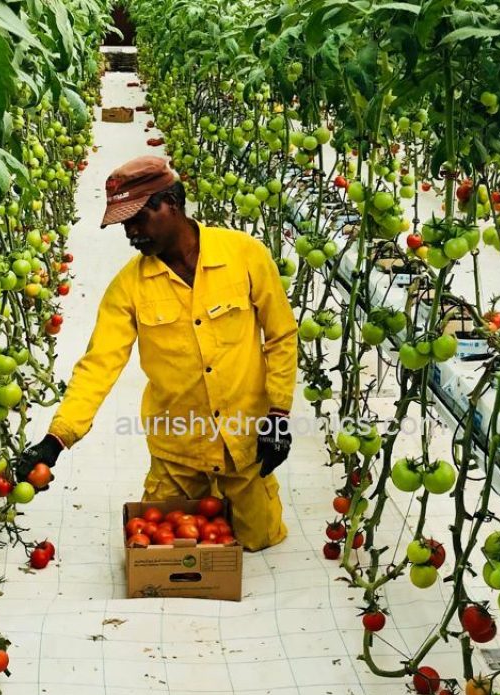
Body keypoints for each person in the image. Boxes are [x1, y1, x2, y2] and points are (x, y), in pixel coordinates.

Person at [16, 155, 298, 551]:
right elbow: (99, 366)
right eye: (123, 223)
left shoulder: (244, 255)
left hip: (246, 444)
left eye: (137, 218)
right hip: (178, 452)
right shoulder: (128, 287)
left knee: (261, 542)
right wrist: (57, 439)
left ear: (172, 204)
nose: (130, 232)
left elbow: (281, 335)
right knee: (163, 549)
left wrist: (279, 414)